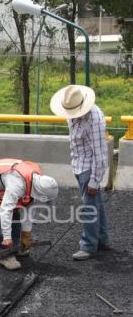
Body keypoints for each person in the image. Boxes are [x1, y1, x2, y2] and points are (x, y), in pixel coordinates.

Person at [50, 84, 110, 260]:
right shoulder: (73, 114)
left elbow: (100, 154)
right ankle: (102, 238)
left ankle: (89, 246)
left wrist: (94, 180)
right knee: (95, 204)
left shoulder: (94, 119)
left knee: (88, 208)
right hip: (79, 164)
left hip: (89, 168)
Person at [0, 158, 58, 270]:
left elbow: (29, 207)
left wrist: (26, 234)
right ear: (39, 193)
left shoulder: (36, 180)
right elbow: (6, 210)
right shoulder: (17, 184)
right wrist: (6, 236)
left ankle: (15, 246)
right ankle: (6, 255)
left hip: (5, 180)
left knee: (15, 212)